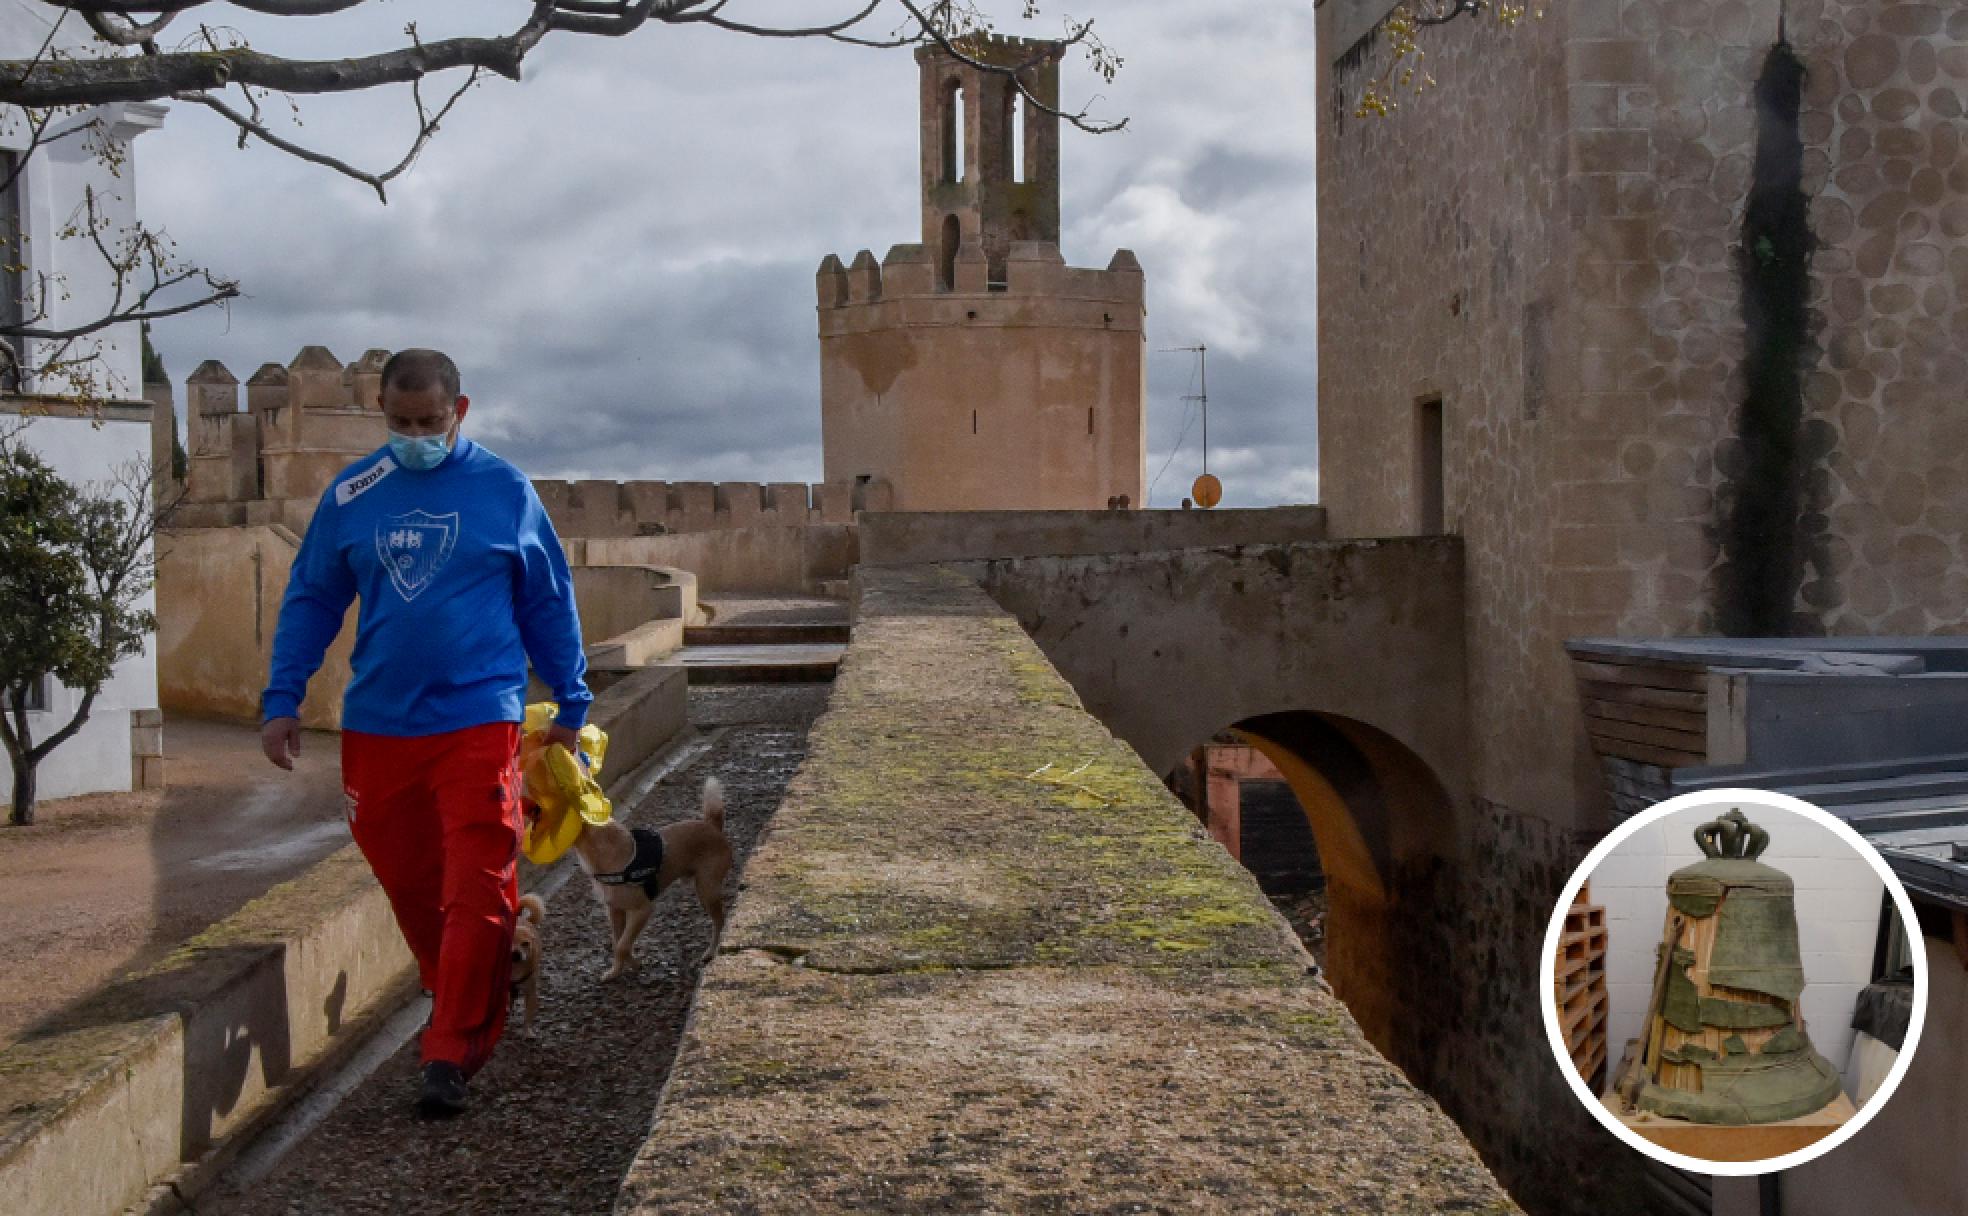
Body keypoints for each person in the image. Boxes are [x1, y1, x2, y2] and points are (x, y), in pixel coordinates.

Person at [259, 348, 590, 1117]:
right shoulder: (353, 494)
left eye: (430, 422)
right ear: (383, 412)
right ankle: (456, 983)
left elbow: (548, 598)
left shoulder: (504, 490)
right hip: (379, 724)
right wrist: (283, 698)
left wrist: (571, 702)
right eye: (400, 422)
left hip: (480, 716)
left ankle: (452, 1049)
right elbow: (312, 598)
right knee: (407, 875)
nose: (416, 435)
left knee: (476, 879)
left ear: (459, 412)